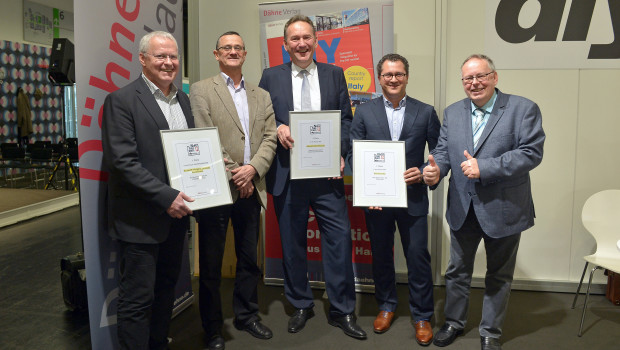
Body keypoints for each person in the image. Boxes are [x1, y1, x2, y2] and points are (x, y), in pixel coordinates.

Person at [423, 54, 545, 350]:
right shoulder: (453, 113)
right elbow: (442, 151)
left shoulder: (522, 109)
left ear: (494, 77)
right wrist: (435, 170)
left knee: (499, 275)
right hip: (462, 208)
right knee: (457, 271)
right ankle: (454, 322)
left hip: (504, 209)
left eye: (480, 76)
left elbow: (531, 152)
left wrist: (485, 167)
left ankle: (490, 332)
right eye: (468, 78)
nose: (474, 83)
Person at [258, 15, 366, 340]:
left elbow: (346, 119)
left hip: (326, 175)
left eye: (307, 37)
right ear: (285, 44)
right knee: (292, 243)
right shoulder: (270, 76)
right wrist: (277, 128)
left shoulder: (335, 74)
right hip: (287, 174)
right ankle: (301, 303)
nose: (301, 44)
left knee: (339, 240)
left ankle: (342, 309)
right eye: (295, 39)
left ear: (315, 40)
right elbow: (263, 119)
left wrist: (342, 151)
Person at [101, 31, 194, 350]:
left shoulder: (182, 99)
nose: (169, 63)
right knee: (137, 300)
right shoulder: (121, 100)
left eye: (173, 56)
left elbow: (187, 151)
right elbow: (122, 162)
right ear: (142, 59)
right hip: (140, 221)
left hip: (176, 217)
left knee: (166, 289)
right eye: (161, 56)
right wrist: (167, 197)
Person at [189, 31, 277, 350]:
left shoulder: (261, 95)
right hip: (216, 188)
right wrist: (236, 174)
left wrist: (252, 170)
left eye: (238, 47)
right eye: (226, 48)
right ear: (216, 54)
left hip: (251, 188)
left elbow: (270, 138)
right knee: (211, 264)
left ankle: (247, 315)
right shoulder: (200, 91)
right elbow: (204, 136)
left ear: (245, 53)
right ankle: (212, 327)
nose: (232, 51)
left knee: (248, 259)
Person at [348, 53, 440, 345]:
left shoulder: (425, 112)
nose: (393, 79)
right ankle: (386, 305)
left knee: (418, 258)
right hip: (376, 201)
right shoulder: (364, 112)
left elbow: (439, 155)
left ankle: (422, 315)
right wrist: (365, 191)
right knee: (381, 255)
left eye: (399, 74)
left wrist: (425, 171)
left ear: (407, 77)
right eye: (388, 75)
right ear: (380, 78)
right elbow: (353, 155)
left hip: (412, 198)